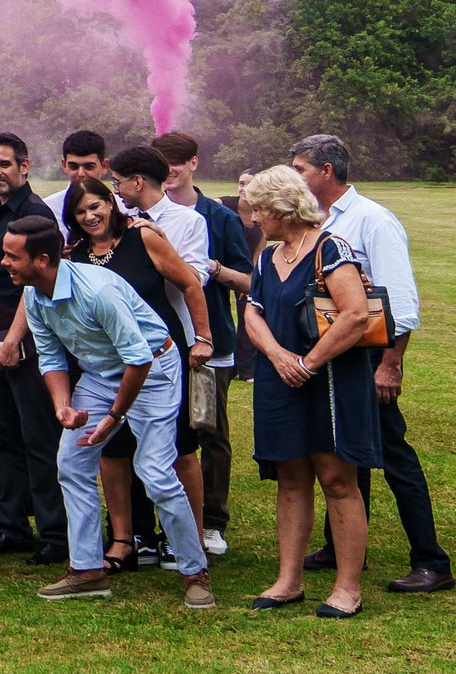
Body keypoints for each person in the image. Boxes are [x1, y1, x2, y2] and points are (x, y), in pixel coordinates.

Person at [2, 218, 212, 607]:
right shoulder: (34, 294)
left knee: (154, 472)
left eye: (13, 256)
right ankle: (87, 571)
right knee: (71, 463)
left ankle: (194, 571)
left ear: (42, 259)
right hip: (101, 375)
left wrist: (113, 418)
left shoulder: (98, 292)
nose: (5, 263)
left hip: (153, 369)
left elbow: (138, 360)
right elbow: (52, 358)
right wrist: (63, 408)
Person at [292, 133, 448, 594]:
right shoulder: (314, 219)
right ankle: (340, 547)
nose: (294, 176)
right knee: (344, 450)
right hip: (337, 352)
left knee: (393, 454)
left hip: (371, 353)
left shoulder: (373, 220)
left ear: (326, 171)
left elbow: (400, 299)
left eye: (300, 169)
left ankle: (431, 561)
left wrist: (391, 364)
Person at [239, 164, 378, 616]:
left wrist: (308, 363)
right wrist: (279, 357)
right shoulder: (267, 256)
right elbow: (253, 312)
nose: (254, 218)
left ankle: (347, 588)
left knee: (338, 480)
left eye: (259, 209)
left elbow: (355, 315)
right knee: (291, 479)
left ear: (281, 207)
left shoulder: (331, 248)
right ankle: (289, 580)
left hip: (330, 381)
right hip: (280, 380)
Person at [64, 164, 209, 572]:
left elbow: (190, 283)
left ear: (111, 204)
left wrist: (203, 337)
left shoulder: (142, 237)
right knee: (112, 450)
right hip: (107, 365)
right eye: (80, 211)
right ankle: (124, 539)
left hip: (159, 357)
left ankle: (191, 537)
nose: (90, 216)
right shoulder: (75, 256)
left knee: (179, 449)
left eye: (96, 206)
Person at [157, 130, 253, 558]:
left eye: (177, 162)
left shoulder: (219, 217)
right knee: (163, 431)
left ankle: (212, 521)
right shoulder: (141, 214)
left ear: (194, 163)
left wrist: (209, 268)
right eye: (162, 164)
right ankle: (163, 520)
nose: (170, 171)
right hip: (159, 344)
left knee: (208, 430)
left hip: (210, 346)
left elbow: (248, 280)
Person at [0, 132, 68, 563]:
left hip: (25, 341)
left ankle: (56, 534)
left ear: (24, 166)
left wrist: (13, 340)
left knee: (39, 438)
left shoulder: (34, 214)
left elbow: (36, 286)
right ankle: (13, 527)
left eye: (5, 164)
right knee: (3, 436)